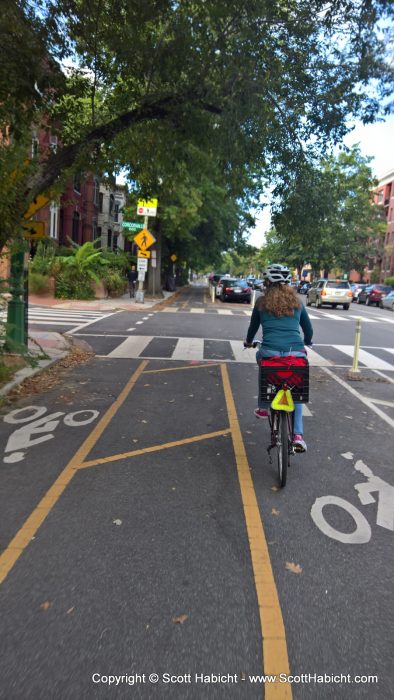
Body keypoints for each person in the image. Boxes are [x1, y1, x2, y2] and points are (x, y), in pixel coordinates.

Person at [244, 264, 313, 453]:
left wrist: (248, 341)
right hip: (295, 354)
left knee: (263, 363)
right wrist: (308, 341)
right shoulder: (297, 302)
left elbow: (252, 328)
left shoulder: (261, 303)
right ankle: (298, 435)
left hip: (270, 353)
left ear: (267, 283)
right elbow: (309, 331)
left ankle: (264, 406)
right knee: (297, 390)